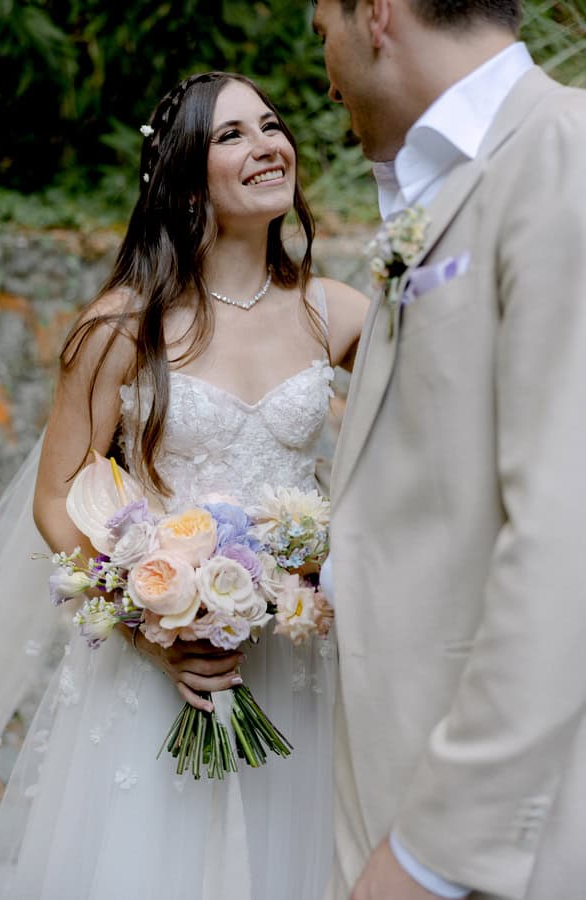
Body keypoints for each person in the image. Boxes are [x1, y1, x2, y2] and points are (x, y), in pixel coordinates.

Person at [0, 70, 368, 899]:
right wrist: (153, 625)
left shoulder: (335, 313)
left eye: (271, 126)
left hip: (296, 655)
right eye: (232, 135)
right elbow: (57, 496)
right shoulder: (124, 326)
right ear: (189, 183)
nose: (267, 146)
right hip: (170, 663)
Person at [311, 0, 586, 898]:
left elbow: (569, 531)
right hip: (392, 764)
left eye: (321, 32)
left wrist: (436, 853)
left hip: (494, 835)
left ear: (376, 14)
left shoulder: (562, 151)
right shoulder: (444, 185)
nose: (326, 75)